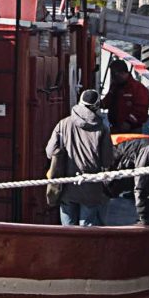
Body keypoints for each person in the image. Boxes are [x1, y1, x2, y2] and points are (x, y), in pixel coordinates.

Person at [45, 89, 113, 226]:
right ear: (96, 106)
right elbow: (107, 160)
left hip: (67, 186)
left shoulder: (63, 124)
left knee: (68, 230)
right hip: (91, 187)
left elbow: (49, 151)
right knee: (87, 229)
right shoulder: (102, 128)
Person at [102, 59, 149, 133]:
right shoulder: (115, 86)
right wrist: (100, 104)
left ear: (122, 73)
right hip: (116, 128)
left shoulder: (138, 88)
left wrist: (129, 122)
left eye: (115, 75)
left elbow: (141, 110)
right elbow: (108, 100)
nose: (113, 78)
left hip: (132, 130)